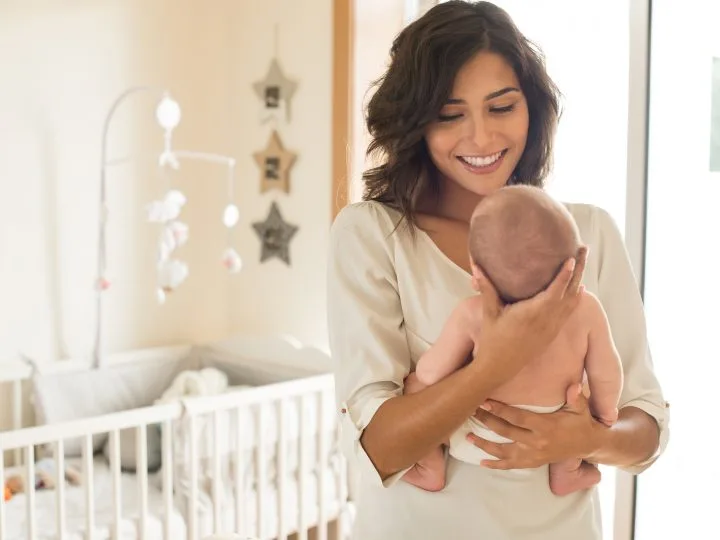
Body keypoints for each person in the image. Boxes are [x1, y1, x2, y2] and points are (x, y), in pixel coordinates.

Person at [327, 1, 669, 538]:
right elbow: (380, 447)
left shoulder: (589, 234)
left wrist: (580, 440)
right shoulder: (372, 235)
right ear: (416, 123)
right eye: (449, 114)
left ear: (531, 108)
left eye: (501, 107)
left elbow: (647, 429)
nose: (481, 139)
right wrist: (494, 364)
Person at [400, 185, 623, 498]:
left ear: (476, 272)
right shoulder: (585, 309)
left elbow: (431, 373)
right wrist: (604, 415)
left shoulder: (473, 314)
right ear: (572, 265)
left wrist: (416, 379)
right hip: (554, 433)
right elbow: (606, 371)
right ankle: (567, 473)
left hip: (476, 439)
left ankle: (430, 466)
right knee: (578, 400)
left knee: (414, 390)